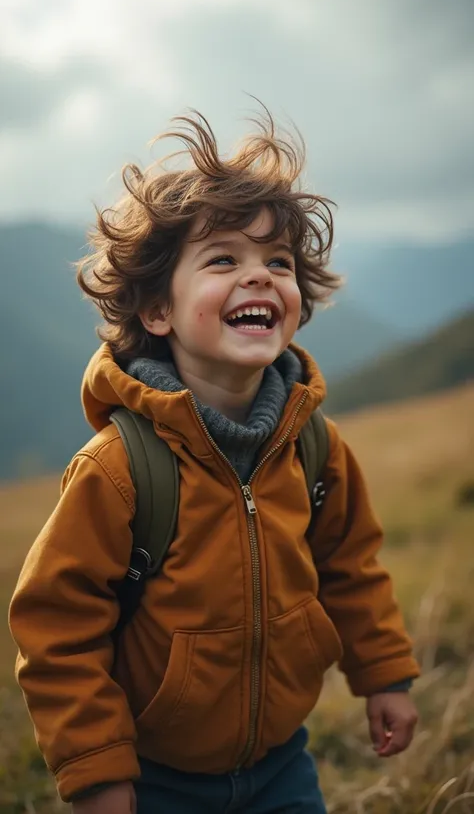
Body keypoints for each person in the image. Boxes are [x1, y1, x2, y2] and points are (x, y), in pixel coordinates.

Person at [9, 108, 419, 814]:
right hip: (155, 777)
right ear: (158, 312)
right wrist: (99, 773)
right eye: (224, 259)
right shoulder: (119, 469)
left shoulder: (313, 445)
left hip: (282, 764)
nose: (259, 277)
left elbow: (351, 566)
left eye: (278, 263)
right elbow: (58, 630)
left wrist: (384, 674)